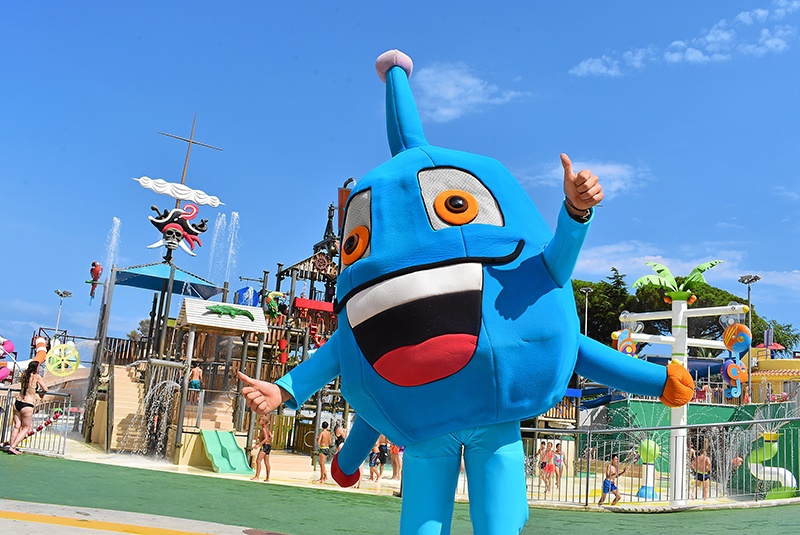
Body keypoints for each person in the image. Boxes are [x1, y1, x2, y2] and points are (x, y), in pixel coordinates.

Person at [7, 361, 47, 455]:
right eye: (39, 367)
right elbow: (45, 389)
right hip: (27, 404)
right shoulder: (36, 376)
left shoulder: (24, 375)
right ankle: (13, 447)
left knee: (17, 426)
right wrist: (41, 394)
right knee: (26, 428)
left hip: (18, 402)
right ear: (36, 368)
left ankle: (11, 446)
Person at [250, 415, 273, 482]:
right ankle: (267, 478)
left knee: (258, 461)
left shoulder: (263, 429)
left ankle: (257, 476)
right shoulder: (267, 428)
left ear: (263, 422)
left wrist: (258, 445)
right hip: (268, 446)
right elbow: (270, 436)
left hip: (265, 446)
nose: (258, 421)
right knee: (266, 462)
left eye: (259, 420)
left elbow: (266, 438)